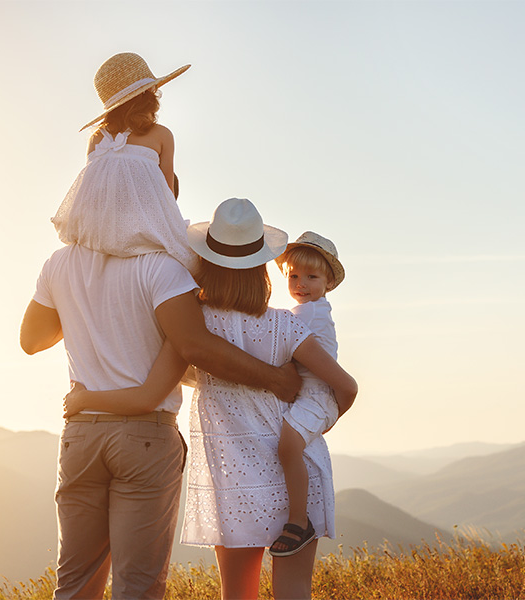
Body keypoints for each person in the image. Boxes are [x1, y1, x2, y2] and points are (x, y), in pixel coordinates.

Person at [20, 54, 302, 599]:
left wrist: (83, 309)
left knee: (74, 583)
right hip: (144, 437)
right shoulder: (162, 267)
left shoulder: (60, 265)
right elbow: (196, 345)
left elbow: (32, 340)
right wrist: (276, 380)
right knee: (138, 585)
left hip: (81, 433)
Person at [63, 199, 358, 600]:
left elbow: (154, 390)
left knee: (238, 595)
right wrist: (313, 424)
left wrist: (86, 397)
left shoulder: (193, 330)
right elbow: (346, 387)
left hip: (235, 479)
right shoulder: (287, 325)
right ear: (262, 266)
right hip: (295, 477)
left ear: (205, 262)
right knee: (294, 593)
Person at [51, 52, 199, 274]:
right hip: (146, 227)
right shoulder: (162, 135)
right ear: (148, 94)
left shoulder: (96, 139)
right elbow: (166, 196)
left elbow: (98, 192)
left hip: (100, 231)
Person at [269, 232, 346, 557]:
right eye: (294, 276)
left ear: (328, 281)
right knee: (289, 447)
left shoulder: (304, 315)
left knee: (287, 447)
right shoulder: (314, 309)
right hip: (312, 394)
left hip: (315, 395)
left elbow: (279, 341)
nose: (301, 284)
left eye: (311, 277)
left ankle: (299, 521)